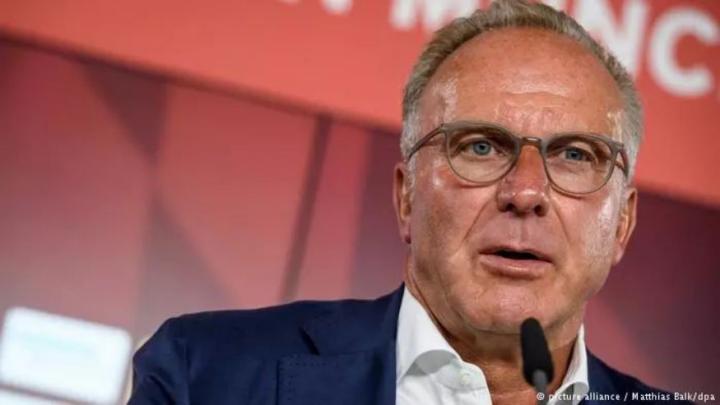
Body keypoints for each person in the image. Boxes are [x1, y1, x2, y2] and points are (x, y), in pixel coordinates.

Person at [129, 1, 690, 404]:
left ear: (622, 223)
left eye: (574, 155)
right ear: (405, 196)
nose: (525, 192)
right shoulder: (205, 373)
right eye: (480, 147)